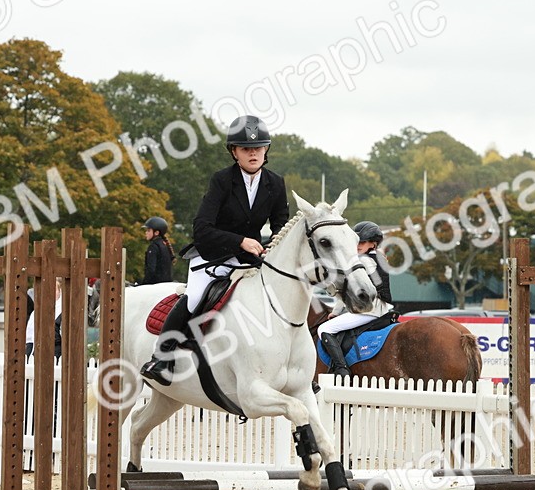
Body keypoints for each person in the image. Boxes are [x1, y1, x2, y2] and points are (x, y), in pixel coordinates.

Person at [140, 114, 290, 385]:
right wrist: (240, 241)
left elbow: (281, 223)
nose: (253, 153)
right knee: (196, 296)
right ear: (235, 152)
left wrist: (273, 246)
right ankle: (162, 356)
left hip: (250, 258)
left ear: (266, 149)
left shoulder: (275, 182)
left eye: (258, 148)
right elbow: (202, 228)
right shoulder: (221, 181)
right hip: (212, 254)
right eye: (246, 149)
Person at [317, 221, 396, 377]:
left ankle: (342, 369)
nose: (358, 245)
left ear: (373, 244)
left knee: (324, 329)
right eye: (357, 241)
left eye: (363, 242)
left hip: (369, 310)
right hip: (385, 308)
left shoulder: (361, 262)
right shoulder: (377, 257)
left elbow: (348, 289)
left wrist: (336, 310)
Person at [24, 278, 62, 359]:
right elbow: (30, 339)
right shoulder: (36, 311)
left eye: (54, 289)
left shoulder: (63, 310)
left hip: (56, 355)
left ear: (60, 291)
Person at [140, 216, 176, 285]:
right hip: (166, 284)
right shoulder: (165, 245)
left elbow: (151, 270)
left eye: (148, 230)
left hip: (155, 286)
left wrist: (143, 284)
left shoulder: (153, 247)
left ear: (156, 232)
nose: (146, 233)